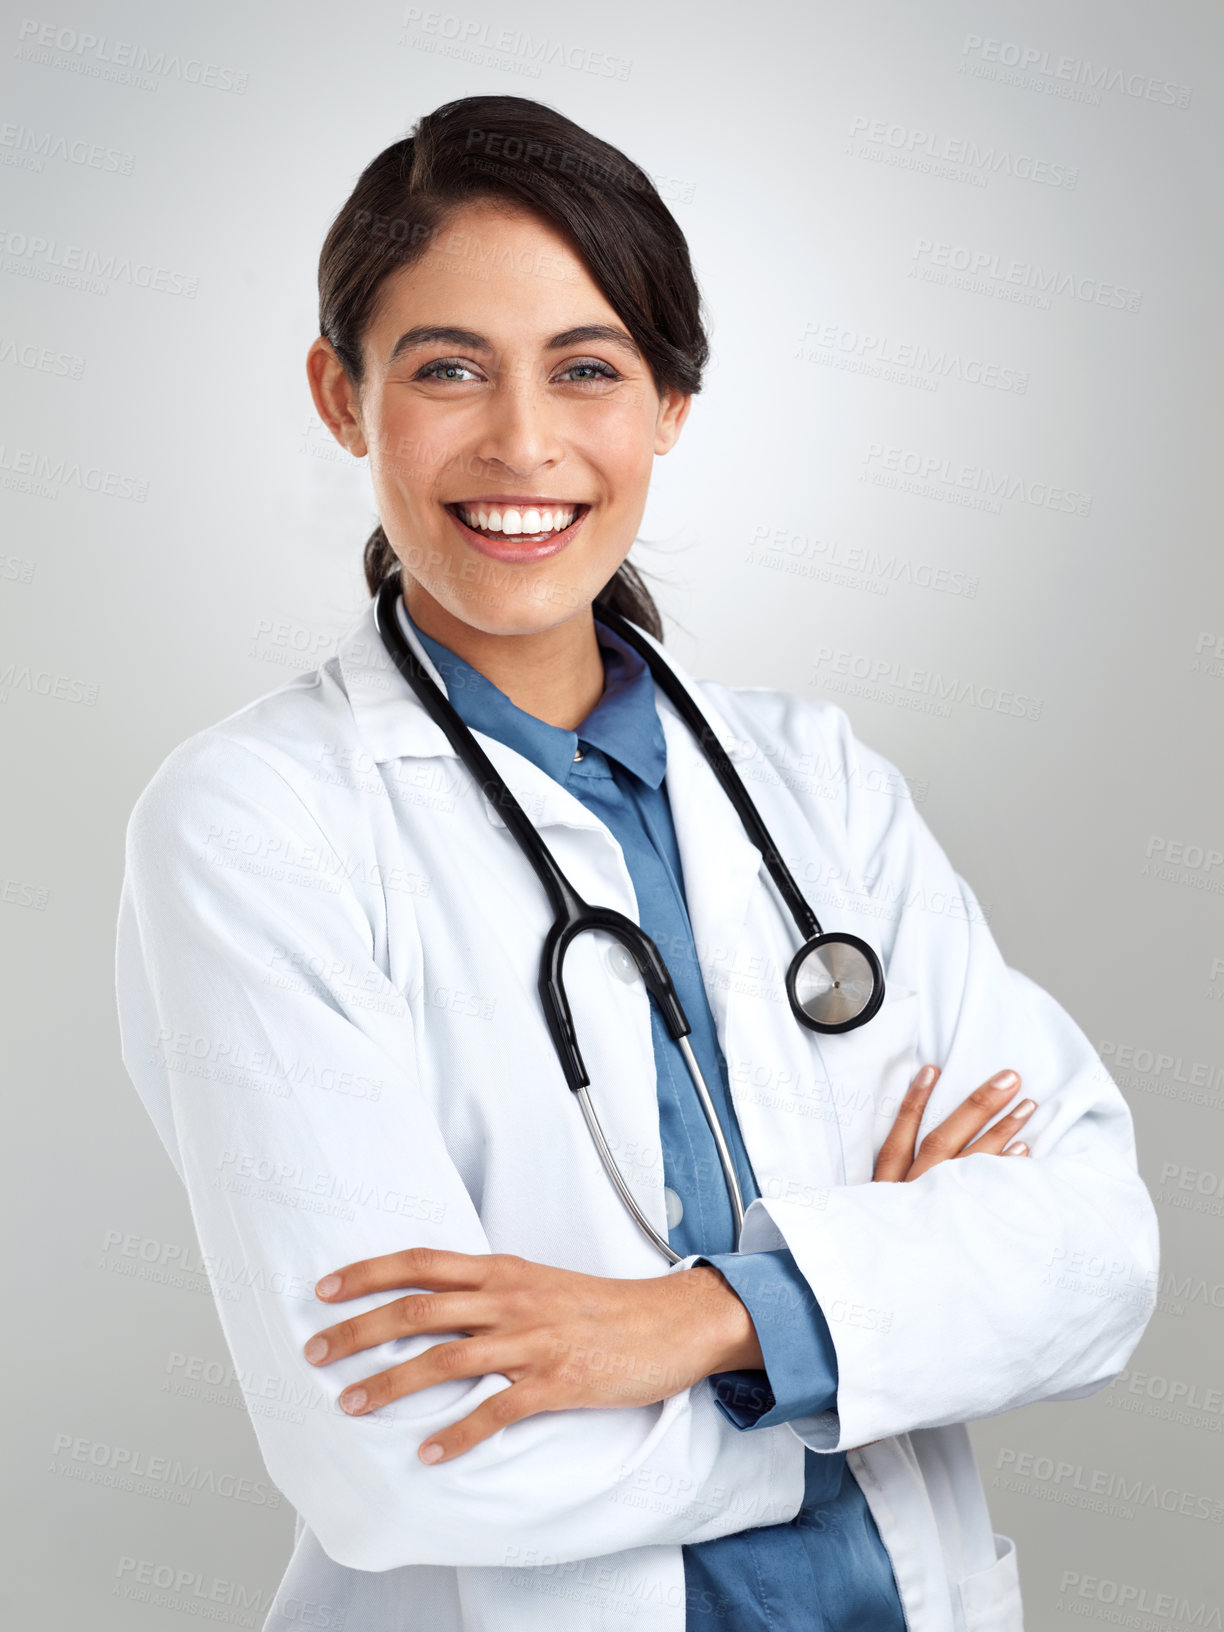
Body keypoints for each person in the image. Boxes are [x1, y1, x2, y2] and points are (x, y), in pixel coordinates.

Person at [116, 95, 1159, 1632]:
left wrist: (691, 1320)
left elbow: (1097, 1256)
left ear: (670, 406)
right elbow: (401, 1451)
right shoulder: (255, 823)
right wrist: (868, 1341)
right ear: (344, 397)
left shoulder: (819, 785)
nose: (522, 443)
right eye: (448, 367)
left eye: (587, 369)